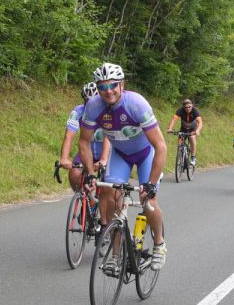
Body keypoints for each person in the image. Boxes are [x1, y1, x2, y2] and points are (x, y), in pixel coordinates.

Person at [79, 62, 167, 271]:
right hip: (120, 154)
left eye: (112, 86)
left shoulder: (136, 104)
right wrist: (91, 174)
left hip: (146, 154)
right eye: (102, 87)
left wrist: (151, 184)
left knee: (148, 201)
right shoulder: (93, 106)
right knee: (114, 199)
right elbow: (83, 142)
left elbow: (161, 146)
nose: (108, 91)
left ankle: (159, 243)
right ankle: (117, 256)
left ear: (122, 85)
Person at [58, 82, 111, 192]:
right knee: (74, 173)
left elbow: (108, 137)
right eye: (87, 101)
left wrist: (103, 159)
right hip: (87, 151)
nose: (92, 105)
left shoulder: (109, 110)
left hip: (107, 152)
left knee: (108, 186)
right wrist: (64, 158)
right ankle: (84, 199)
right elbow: (69, 135)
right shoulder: (78, 111)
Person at [166, 98, 202, 165]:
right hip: (183, 129)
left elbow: (200, 122)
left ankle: (193, 157)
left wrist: (197, 131)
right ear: (183, 107)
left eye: (189, 107)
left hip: (193, 129)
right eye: (186, 107)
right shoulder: (180, 110)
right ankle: (181, 157)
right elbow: (174, 119)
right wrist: (170, 128)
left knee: (192, 138)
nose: (188, 108)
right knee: (180, 143)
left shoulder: (195, 111)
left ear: (192, 105)